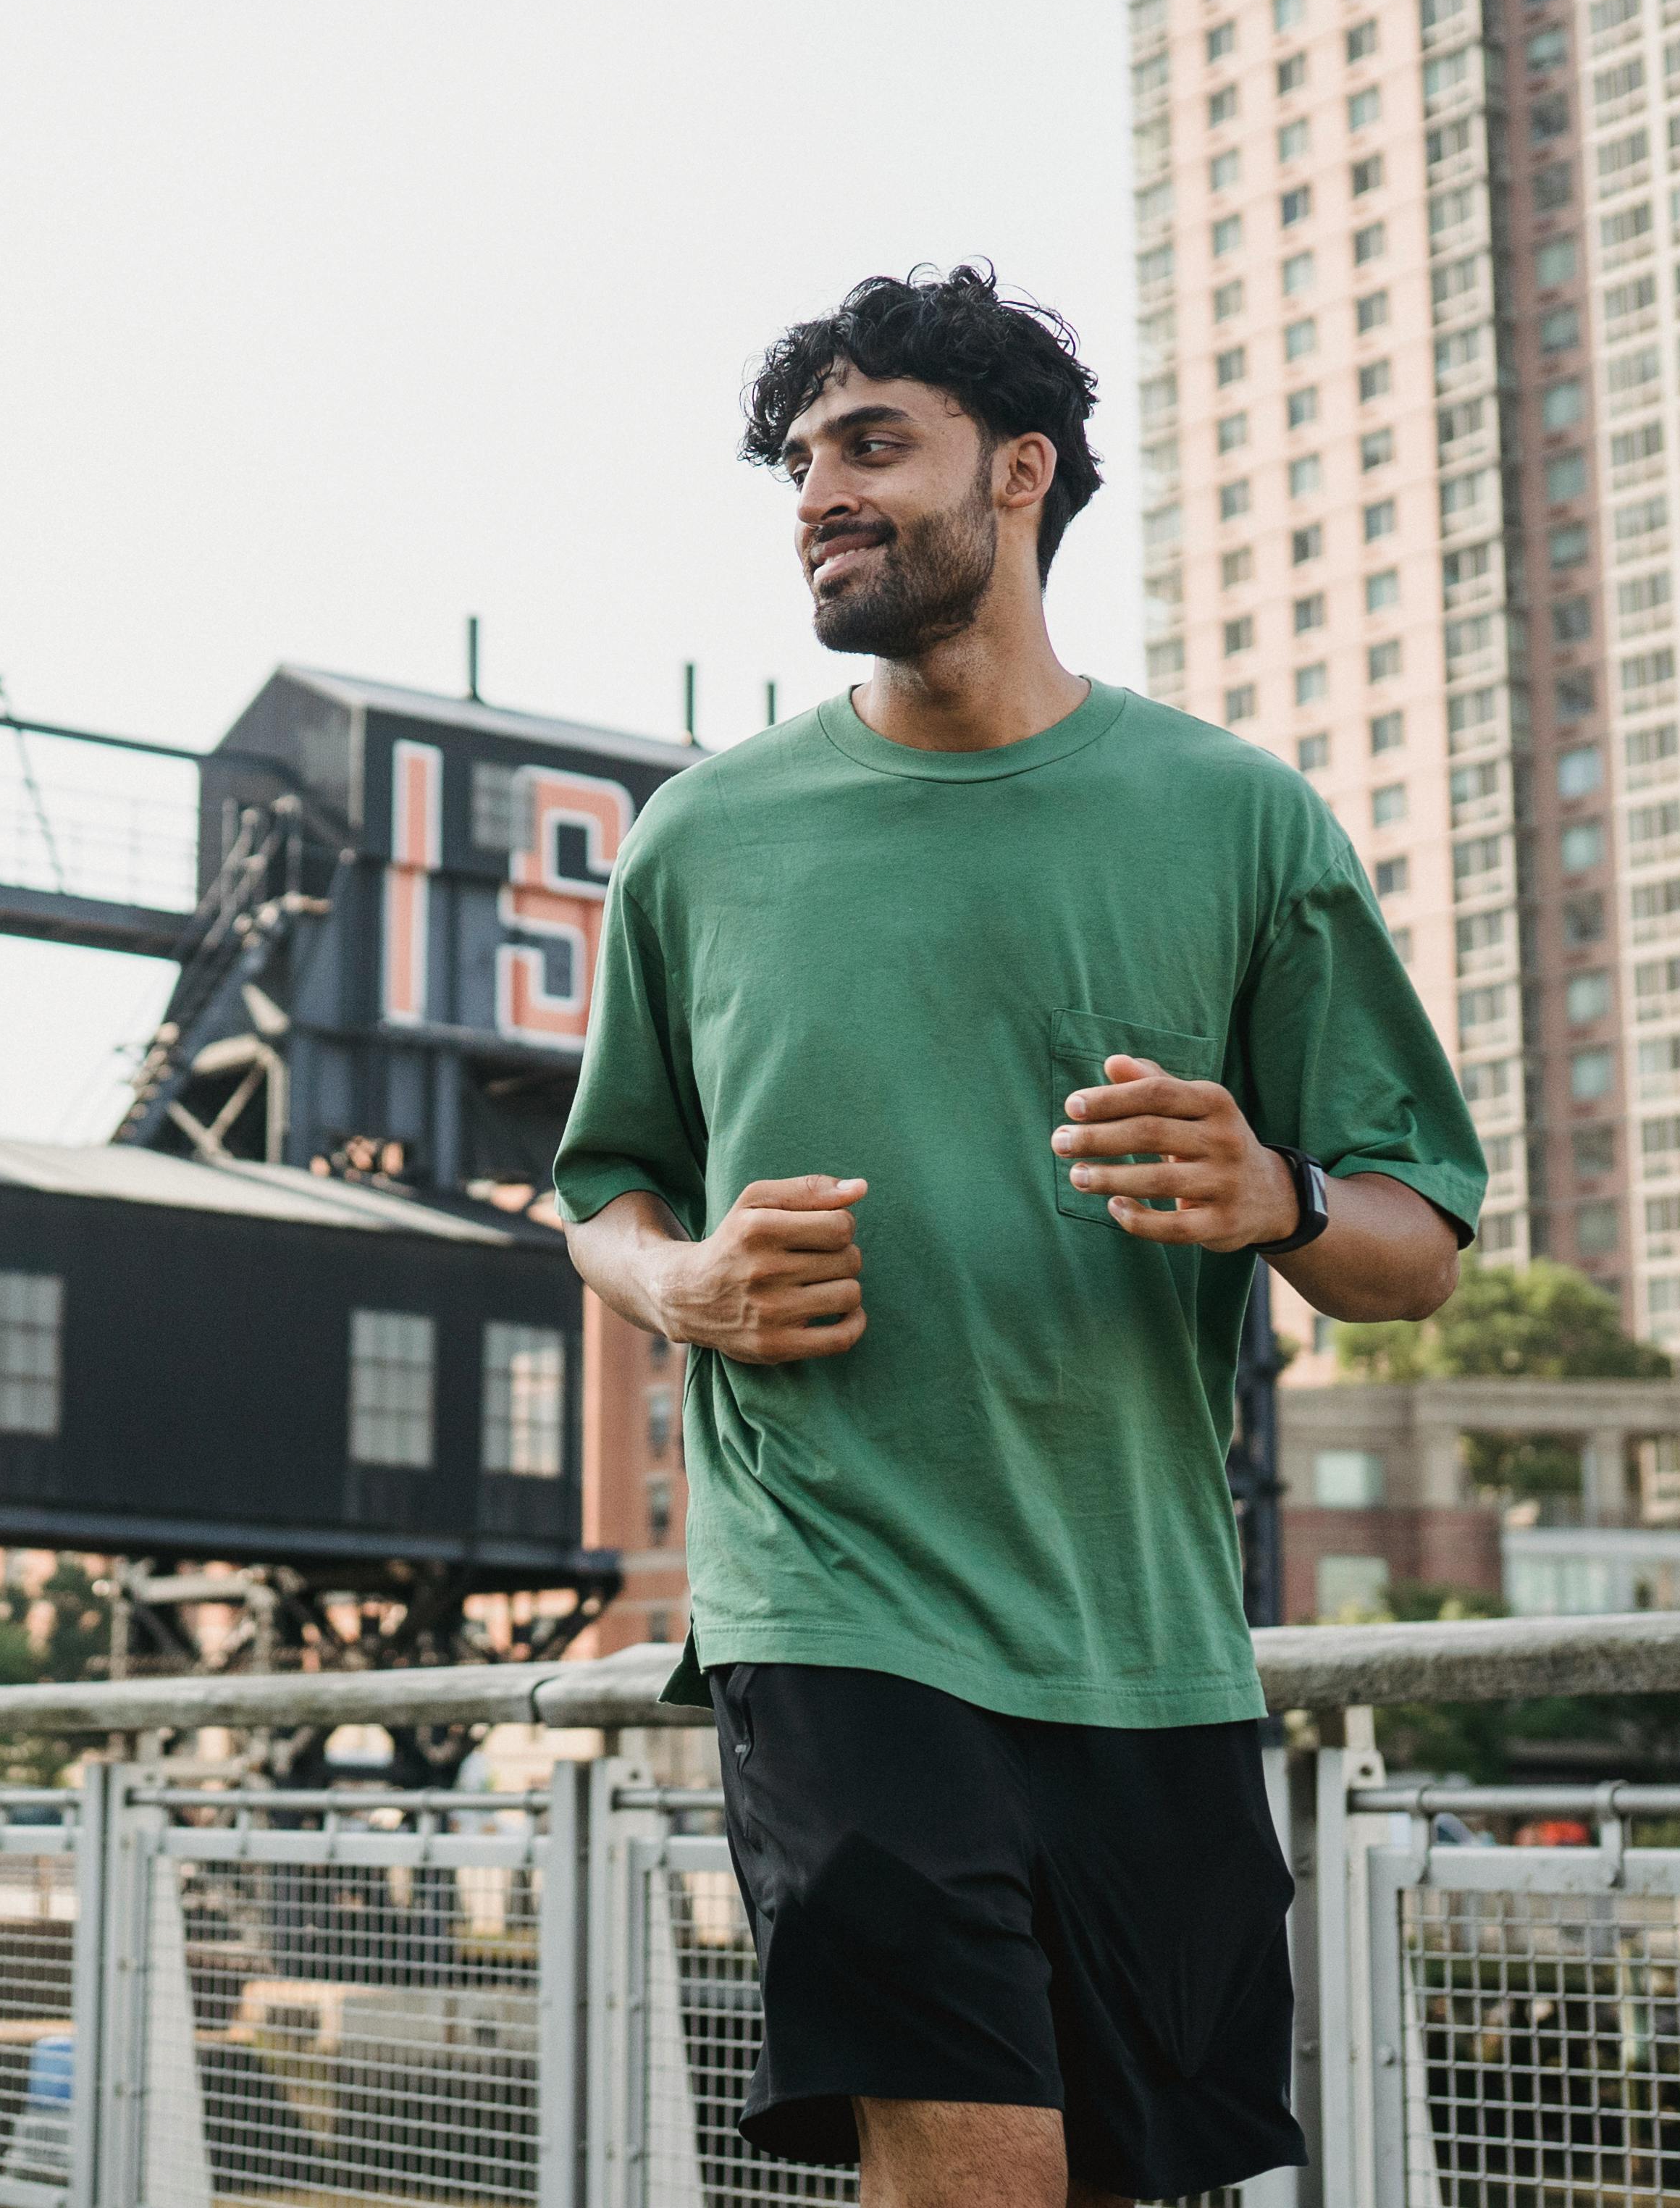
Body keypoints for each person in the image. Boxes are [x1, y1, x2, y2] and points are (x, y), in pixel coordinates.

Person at [556, 267, 1479, 2208]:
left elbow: (1412, 1243)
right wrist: (684, 1285)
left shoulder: (1235, 820)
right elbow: (601, 1194)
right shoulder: (702, 842)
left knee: (1130, 2181)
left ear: (1022, 472)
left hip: (1138, 1630)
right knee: (972, 2163)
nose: (820, 489)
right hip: (833, 1605)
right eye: (800, 459)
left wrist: (1281, 1198)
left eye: (871, 442)